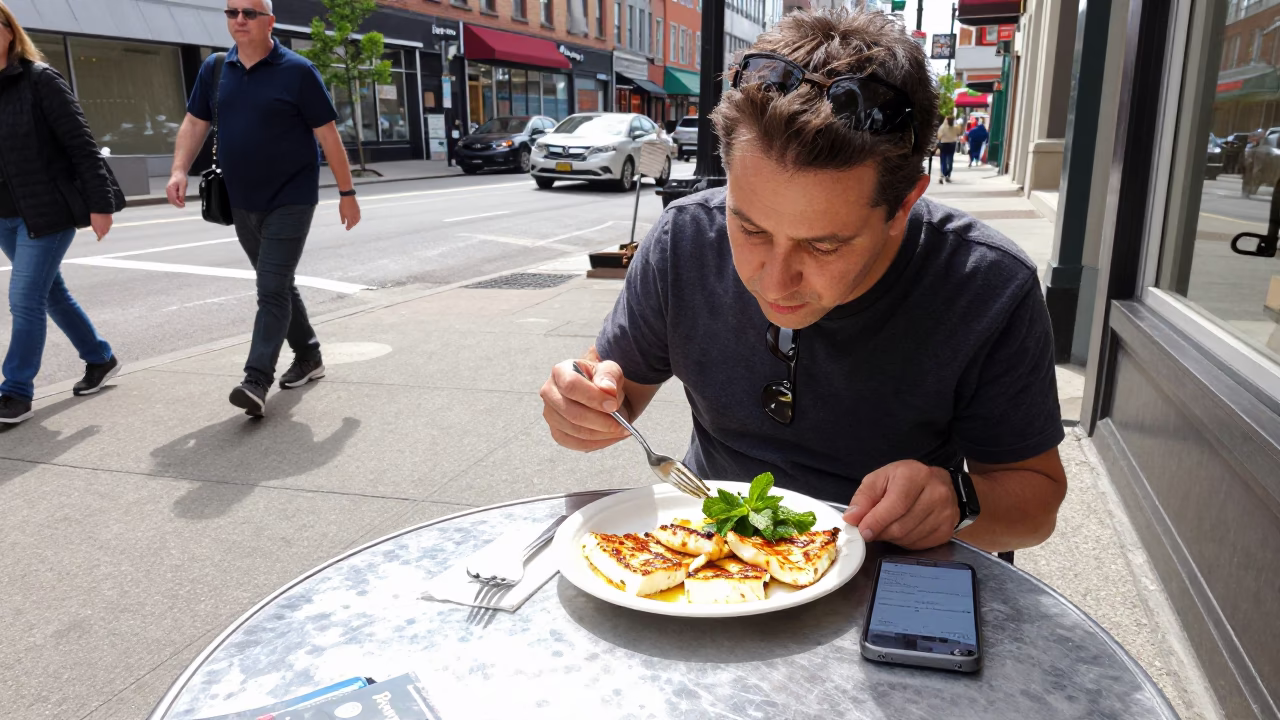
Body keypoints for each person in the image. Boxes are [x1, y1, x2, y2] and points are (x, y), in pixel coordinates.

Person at [539, 10, 1067, 553]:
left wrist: (957, 501)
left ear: (904, 205)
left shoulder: (988, 285)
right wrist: (584, 404)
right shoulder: (685, 239)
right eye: (749, 227)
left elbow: (1037, 504)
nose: (774, 280)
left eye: (823, 245)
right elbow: (615, 389)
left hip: (889, 564)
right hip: (713, 549)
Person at [167, 0, 361, 418]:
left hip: (291, 198)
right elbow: (194, 123)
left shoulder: (298, 71)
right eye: (231, 12)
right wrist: (179, 169)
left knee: (270, 288)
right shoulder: (215, 69)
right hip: (240, 200)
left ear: (269, 21)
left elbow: (327, 135)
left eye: (249, 13)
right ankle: (309, 356)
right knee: (278, 283)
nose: (239, 19)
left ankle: (256, 379)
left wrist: (347, 193)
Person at [0, 2, 119, 425]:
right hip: (6, 217)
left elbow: (82, 146)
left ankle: (14, 390)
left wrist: (100, 205)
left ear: (9, 31)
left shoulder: (40, 80)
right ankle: (100, 358)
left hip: (47, 212)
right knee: (52, 294)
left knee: (25, 299)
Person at [936, 116, 962, 183]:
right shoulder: (943, 128)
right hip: (946, 145)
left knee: (948, 162)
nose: (951, 122)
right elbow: (939, 137)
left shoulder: (955, 127)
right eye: (950, 121)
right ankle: (945, 175)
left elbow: (959, 133)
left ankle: (945, 175)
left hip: (950, 145)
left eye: (952, 121)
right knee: (946, 161)